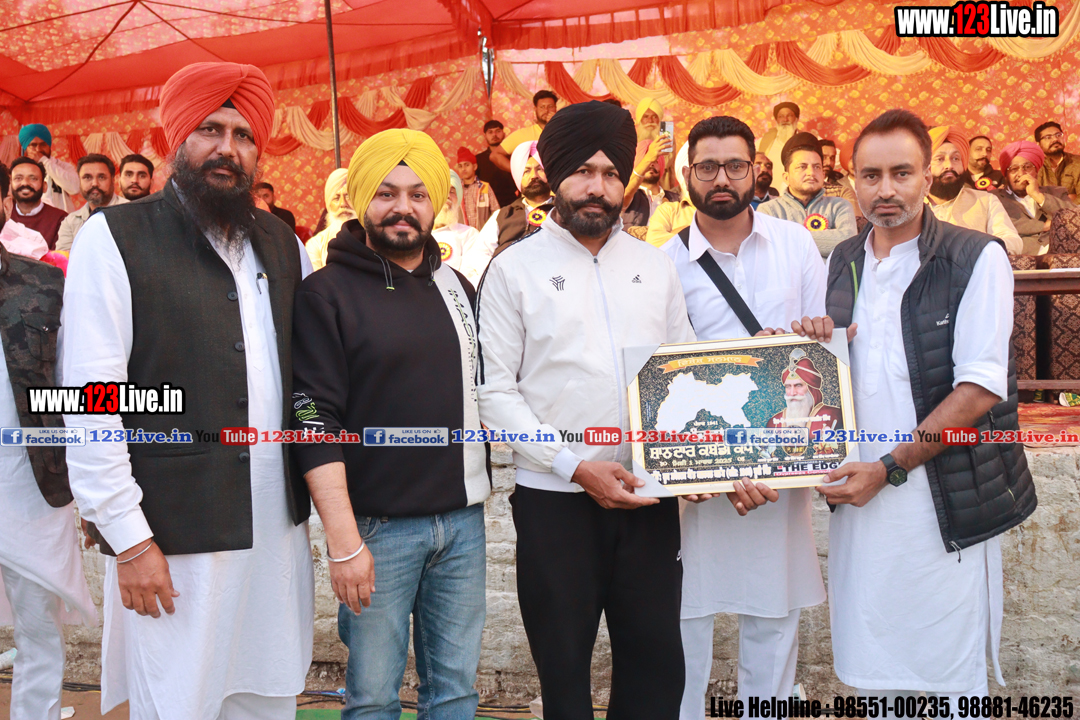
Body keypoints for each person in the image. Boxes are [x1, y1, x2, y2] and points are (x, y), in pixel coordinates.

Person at [61, 61, 315, 720]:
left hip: (274, 540)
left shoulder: (285, 246)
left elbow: (309, 385)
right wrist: (130, 539)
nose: (228, 148)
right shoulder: (113, 238)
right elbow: (90, 401)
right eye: (210, 129)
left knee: (265, 700)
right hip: (172, 542)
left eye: (243, 134)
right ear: (177, 138)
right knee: (178, 703)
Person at [808, 108, 1037, 709]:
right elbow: (835, 376)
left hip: (943, 506)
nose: (886, 190)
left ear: (927, 177)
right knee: (876, 674)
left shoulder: (975, 258)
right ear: (852, 181)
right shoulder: (842, 262)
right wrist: (812, 345)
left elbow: (980, 389)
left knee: (949, 678)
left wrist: (888, 468)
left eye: (901, 173)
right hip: (861, 506)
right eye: (871, 175)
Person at [476, 100, 695, 720]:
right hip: (555, 503)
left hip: (649, 499)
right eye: (583, 171)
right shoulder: (513, 270)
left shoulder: (655, 266)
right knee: (564, 675)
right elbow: (495, 395)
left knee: (656, 673)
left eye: (611, 173)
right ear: (554, 175)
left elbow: (680, 370)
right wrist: (573, 466)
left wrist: (697, 462)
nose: (597, 187)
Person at [291, 126, 490, 720]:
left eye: (418, 193)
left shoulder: (457, 286)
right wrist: (344, 541)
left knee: (455, 692)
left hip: (463, 525)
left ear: (436, 203)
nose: (403, 207)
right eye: (386, 193)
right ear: (360, 200)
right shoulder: (324, 293)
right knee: (374, 698)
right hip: (377, 531)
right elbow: (312, 417)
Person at [657, 115, 826, 718]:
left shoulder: (795, 245)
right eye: (707, 167)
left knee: (772, 616)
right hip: (697, 477)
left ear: (756, 169)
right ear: (688, 175)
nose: (722, 178)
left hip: (779, 464)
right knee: (685, 617)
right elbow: (658, 374)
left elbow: (817, 356)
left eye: (734, 165)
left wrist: (808, 337)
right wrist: (711, 466)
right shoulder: (661, 262)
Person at [0, 163, 97, 720]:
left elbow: (79, 390)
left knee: (38, 628)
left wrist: (92, 490)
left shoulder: (44, 285)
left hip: (33, 490)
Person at [758, 132, 857, 258]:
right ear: (786, 177)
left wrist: (786, 238)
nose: (811, 173)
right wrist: (828, 239)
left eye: (817, 167)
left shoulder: (839, 206)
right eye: (802, 167)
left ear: (823, 174)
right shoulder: (769, 210)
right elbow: (767, 251)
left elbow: (849, 243)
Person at [925, 126, 1022, 254]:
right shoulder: (911, 205)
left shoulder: (986, 201)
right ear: (925, 166)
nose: (949, 165)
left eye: (956, 158)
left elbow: (1013, 241)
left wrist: (977, 249)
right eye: (940, 159)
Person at [993, 140, 1076, 255]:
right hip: (1021, 258)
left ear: (1036, 171)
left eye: (1027, 167)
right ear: (1006, 175)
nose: (1021, 173)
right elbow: (1002, 225)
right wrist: (1044, 226)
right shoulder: (994, 198)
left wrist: (1037, 195)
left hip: (1060, 256)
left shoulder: (1057, 192)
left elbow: (1074, 218)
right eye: (1014, 169)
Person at [476, 141, 554, 253]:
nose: (534, 176)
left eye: (539, 169)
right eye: (526, 171)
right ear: (518, 177)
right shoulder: (501, 216)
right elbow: (480, 253)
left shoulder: (566, 211)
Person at [55, 154, 128, 253]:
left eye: (101, 177)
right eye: (87, 177)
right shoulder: (71, 222)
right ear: (79, 181)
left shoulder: (130, 212)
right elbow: (64, 259)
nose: (94, 183)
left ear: (113, 180)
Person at [434, 170, 492, 284]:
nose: (448, 196)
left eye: (452, 191)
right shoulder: (416, 232)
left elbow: (473, 275)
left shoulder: (469, 234)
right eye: (442, 191)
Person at [622, 98, 675, 212]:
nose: (650, 120)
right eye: (646, 116)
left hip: (662, 185)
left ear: (659, 118)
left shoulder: (666, 135)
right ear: (640, 118)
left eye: (654, 116)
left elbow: (667, 162)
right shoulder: (632, 137)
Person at [489, 90, 559, 173]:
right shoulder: (523, 134)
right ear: (535, 109)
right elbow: (495, 155)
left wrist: (555, 124)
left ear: (556, 108)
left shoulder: (565, 130)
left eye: (550, 106)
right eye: (542, 107)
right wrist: (520, 173)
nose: (546, 110)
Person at [8, 157, 68, 250]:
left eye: (33, 179)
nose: (25, 183)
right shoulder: (3, 214)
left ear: (44, 186)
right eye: (18, 178)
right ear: (10, 185)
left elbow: (59, 257)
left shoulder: (61, 219)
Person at [18, 124, 80, 212]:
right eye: (33, 145)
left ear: (49, 146)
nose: (38, 149)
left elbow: (75, 188)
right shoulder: (19, 171)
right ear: (26, 148)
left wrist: (44, 161)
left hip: (61, 218)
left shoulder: (63, 166)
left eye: (43, 144)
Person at [646, 141, 696, 246]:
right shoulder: (669, 211)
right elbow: (655, 245)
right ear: (687, 177)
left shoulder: (731, 212)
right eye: (707, 169)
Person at [306, 168, 356, 270]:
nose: (343, 204)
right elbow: (315, 278)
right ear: (328, 204)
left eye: (348, 197)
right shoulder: (316, 245)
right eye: (336, 198)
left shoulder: (374, 239)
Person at [758, 102, 800, 193]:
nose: (785, 119)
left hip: (798, 195)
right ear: (776, 120)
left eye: (789, 116)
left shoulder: (806, 141)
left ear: (796, 118)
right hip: (769, 195)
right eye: (781, 116)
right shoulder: (763, 143)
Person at [474, 120, 518, 206]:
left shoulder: (514, 156)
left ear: (504, 133)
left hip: (513, 202)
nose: (494, 135)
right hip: (487, 204)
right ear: (485, 136)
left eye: (498, 131)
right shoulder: (478, 159)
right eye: (490, 132)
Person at [455, 146, 500, 230]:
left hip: (483, 233)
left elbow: (496, 212)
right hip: (463, 235)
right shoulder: (455, 190)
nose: (463, 169)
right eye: (460, 166)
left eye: (466, 165)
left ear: (475, 166)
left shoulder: (484, 187)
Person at [1034, 121, 1080, 200]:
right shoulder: (1035, 167)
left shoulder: (1077, 162)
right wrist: (1068, 199)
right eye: (1048, 137)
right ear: (1038, 144)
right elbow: (1033, 199)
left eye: (1058, 135)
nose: (1055, 139)